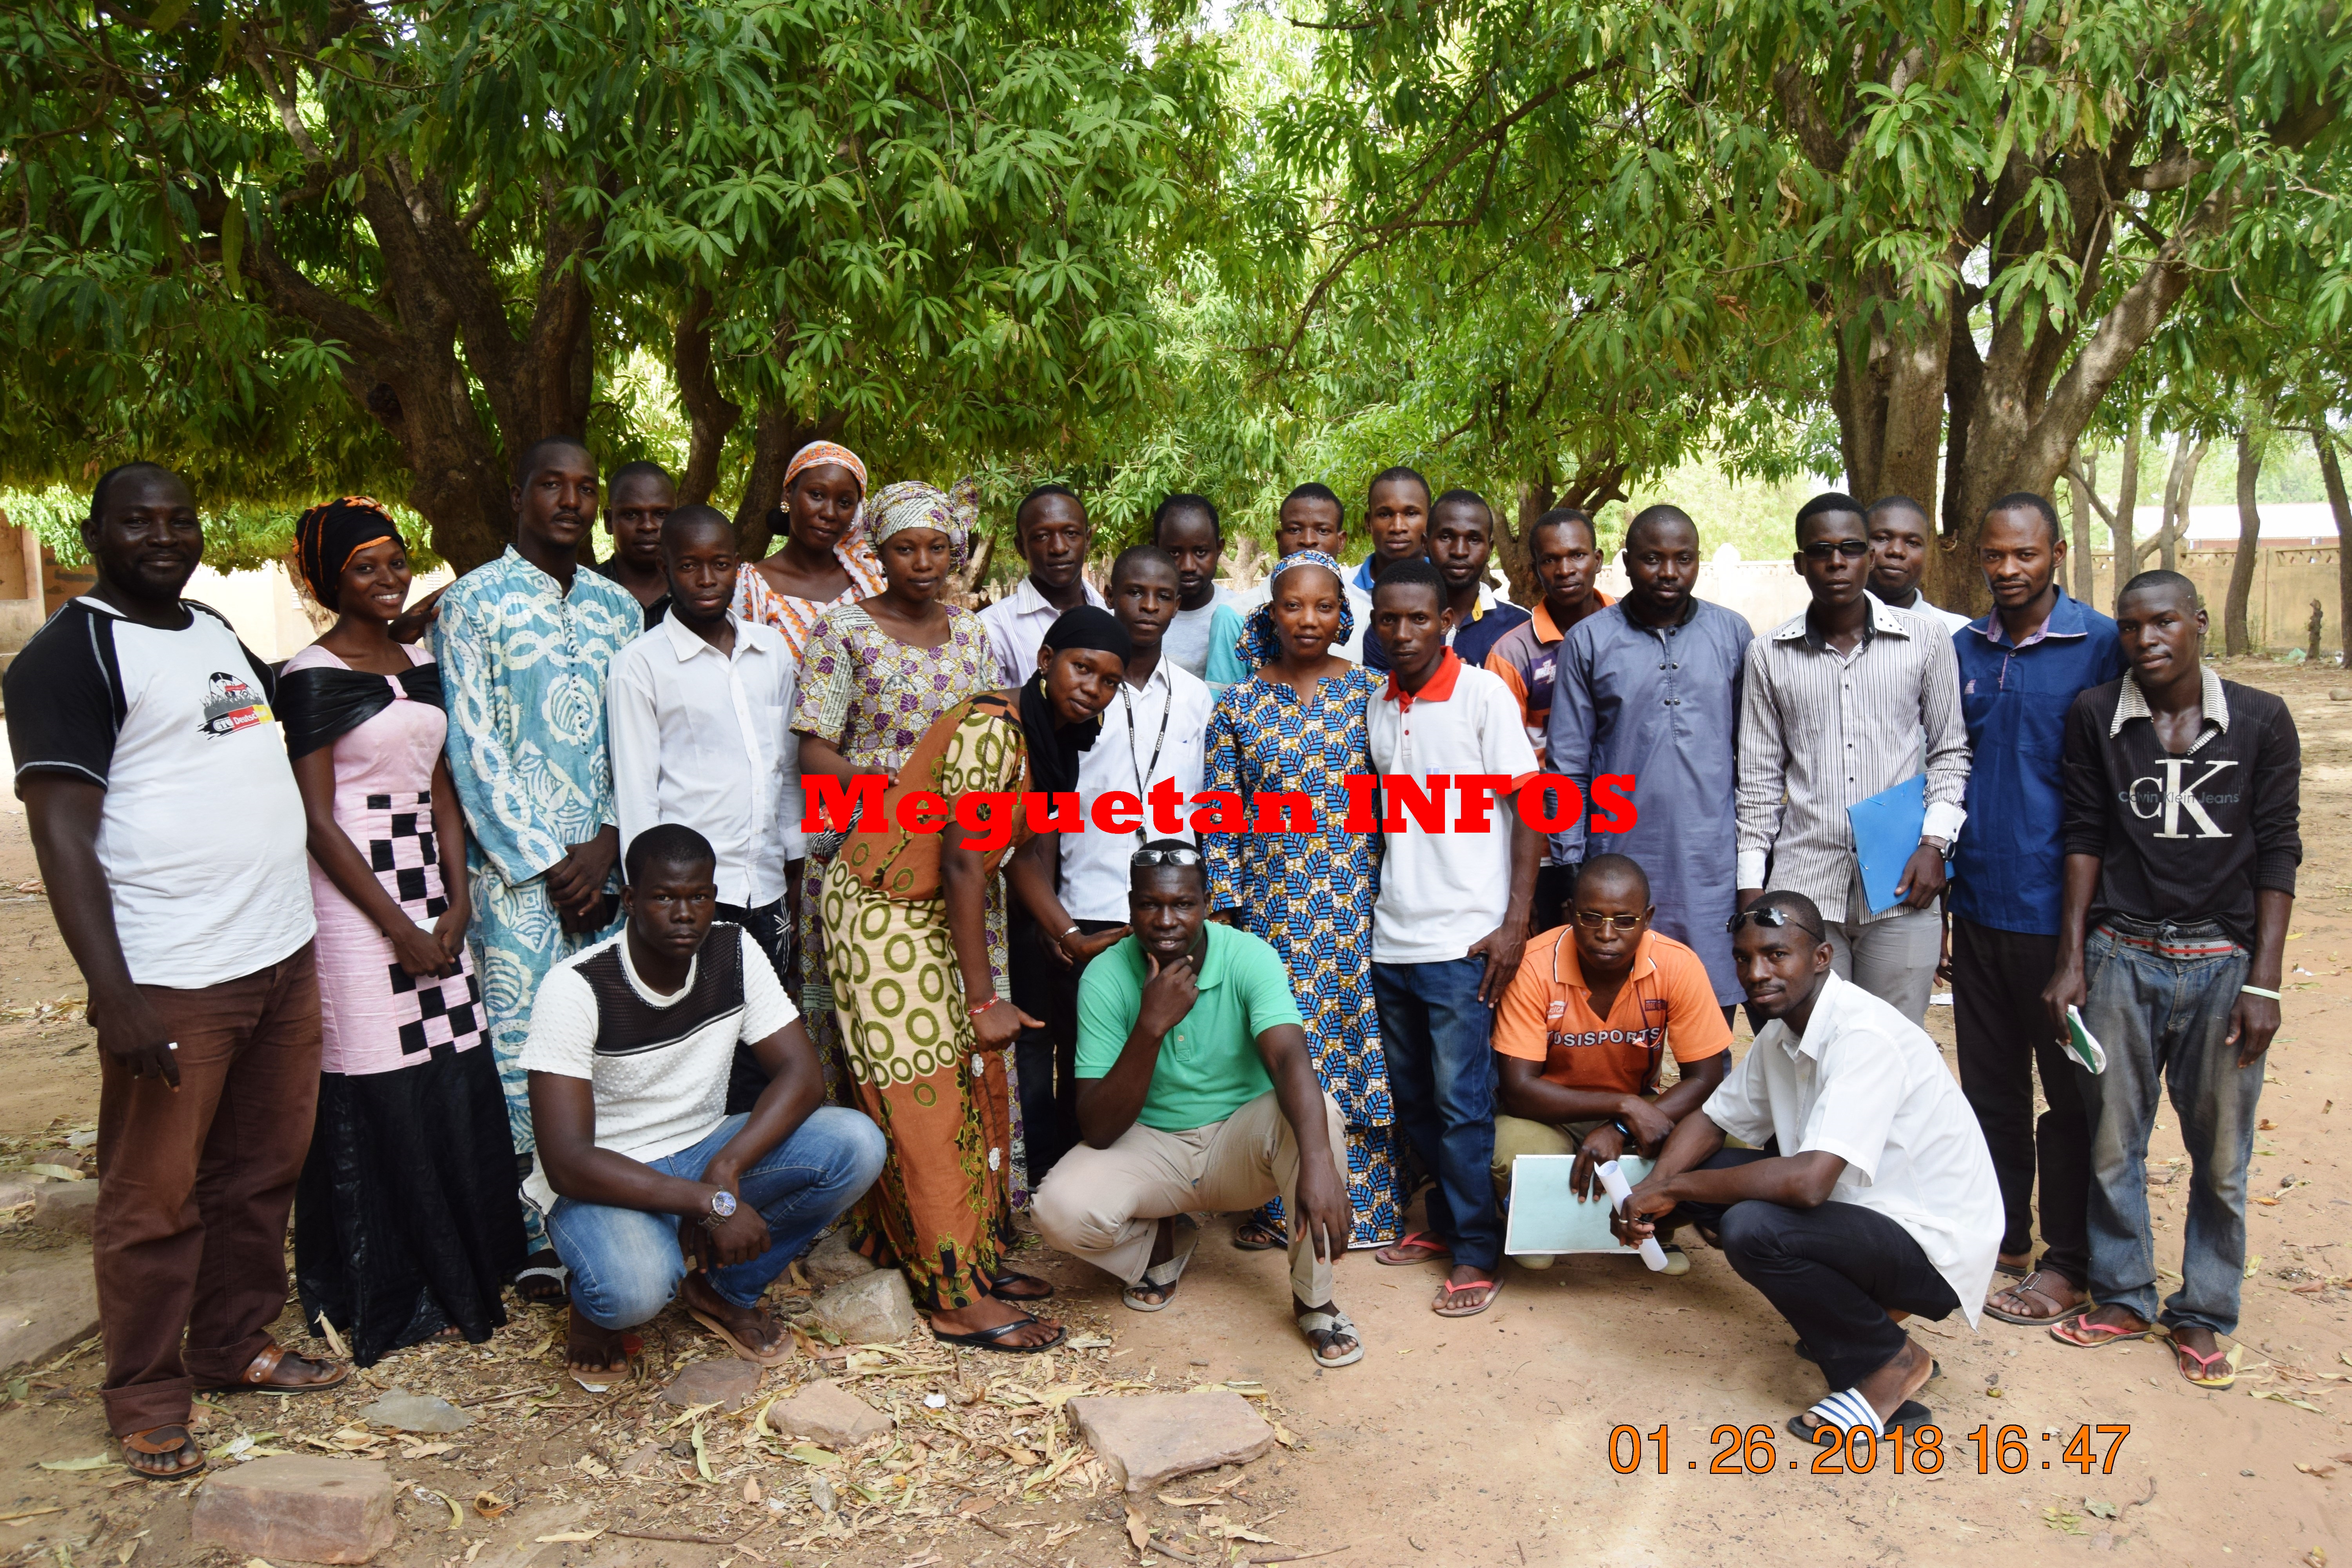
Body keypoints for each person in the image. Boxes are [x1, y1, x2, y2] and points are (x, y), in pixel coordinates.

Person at [5, 463, 342, 1480]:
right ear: (95, 533)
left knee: (263, 1168)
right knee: (154, 1195)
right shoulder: (70, 656)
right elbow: (64, 838)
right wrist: (114, 996)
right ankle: (146, 1392)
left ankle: (235, 1341)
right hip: (174, 978)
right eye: (137, 522)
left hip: (279, 956)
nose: (164, 536)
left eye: (179, 519)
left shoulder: (209, 631)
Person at [819, 607, 1127, 1351]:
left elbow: (1016, 851)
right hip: (884, 912)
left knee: (968, 1083)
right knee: (923, 1091)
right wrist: (984, 998)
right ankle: (954, 1298)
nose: (1094, 688)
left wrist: (1067, 935)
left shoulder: (1045, 735)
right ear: (1047, 659)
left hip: (923, 914)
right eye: (1083, 668)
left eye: (1111, 681)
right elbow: (962, 860)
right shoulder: (995, 728)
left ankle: (968, 1264)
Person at [277, 499, 521, 1369]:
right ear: (327, 580)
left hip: (432, 892)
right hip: (355, 906)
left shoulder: (417, 659)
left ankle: (471, 1266)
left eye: (395, 561)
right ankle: (390, 1287)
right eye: (364, 568)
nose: (388, 580)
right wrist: (397, 927)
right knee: (380, 1078)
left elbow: (442, 792)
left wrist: (456, 907)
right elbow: (315, 818)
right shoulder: (310, 675)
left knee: (451, 1069)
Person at [1619, 894, 2002, 1442]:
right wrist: (1656, 1188)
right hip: (1867, 1220)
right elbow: (1711, 1120)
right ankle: (1860, 1317)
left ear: (1822, 957)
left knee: (1752, 1227)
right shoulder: (1785, 1030)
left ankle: (1891, 1362)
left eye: (1777, 955)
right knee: (1706, 1184)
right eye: (1744, 958)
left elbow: (1807, 1183)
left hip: (1934, 1245)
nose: (1757, 973)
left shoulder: (1863, 1036)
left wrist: (1673, 1187)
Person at [2044, 572, 2300, 1388]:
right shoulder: (2096, 716)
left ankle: (2204, 1310)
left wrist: (2265, 981)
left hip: (2223, 964)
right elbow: (2082, 835)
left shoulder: (2260, 719)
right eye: (2129, 626)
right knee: (2115, 1139)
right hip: (2124, 954)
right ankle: (2122, 1295)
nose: (2146, 639)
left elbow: (2279, 849)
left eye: (2163, 622)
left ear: (2197, 623)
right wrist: (2073, 956)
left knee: (2221, 1153)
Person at [523, 824, 887, 1375]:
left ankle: (724, 1291)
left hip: (701, 1146)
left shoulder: (733, 949)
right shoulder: (576, 987)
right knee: (635, 1292)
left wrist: (726, 1166)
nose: (685, 913)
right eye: (665, 897)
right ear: (630, 900)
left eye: (699, 896)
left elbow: (802, 1075)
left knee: (855, 1144)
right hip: (607, 1174)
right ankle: (592, 1308)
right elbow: (568, 1162)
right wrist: (708, 1204)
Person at [438, 437, 641, 1300]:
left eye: (585, 487)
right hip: (517, 876)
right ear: (519, 494)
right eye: (552, 484)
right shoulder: (472, 603)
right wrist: (552, 859)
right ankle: (539, 1235)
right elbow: (471, 746)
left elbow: (637, 739)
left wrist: (609, 838)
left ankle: (618, 1213)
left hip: (609, 869)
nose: (571, 499)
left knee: (610, 1042)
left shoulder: (618, 609)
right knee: (524, 1055)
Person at [1033, 842, 1366, 1368]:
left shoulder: (1247, 956)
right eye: (1150, 905)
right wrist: (1151, 1023)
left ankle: (1315, 1301)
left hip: (1240, 1143)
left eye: (1183, 904)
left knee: (1317, 1114)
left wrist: (1321, 1164)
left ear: (1207, 904)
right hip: (1151, 1145)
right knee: (1059, 1211)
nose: (1166, 920)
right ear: (1131, 905)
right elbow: (1097, 1128)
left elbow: (1288, 1060)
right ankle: (1161, 1240)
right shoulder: (1104, 976)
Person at [1946, 493, 2124, 1328]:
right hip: (1979, 904)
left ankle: (2073, 1260)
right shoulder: (1966, 647)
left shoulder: (2100, 646)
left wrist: (2086, 939)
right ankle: (2006, 1235)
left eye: (2025, 554)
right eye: (1995, 555)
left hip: (2064, 920)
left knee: (2073, 1095)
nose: (2009, 569)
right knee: (1989, 1090)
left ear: (2055, 553)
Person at [1204, 551, 1404, 1249]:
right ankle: (1272, 1203)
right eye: (1293, 605)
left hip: (1358, 904)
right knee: (1281, 1046)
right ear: (1272, 613)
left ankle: (1371, 1205)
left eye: (1324, 607)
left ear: (1343, 617)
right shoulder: (1237, 706)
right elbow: (1220, 815)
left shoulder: (1376, 693)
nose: (1309, 619)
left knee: (1357, 1043)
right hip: (1273, 910)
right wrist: (1227, 910)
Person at [1363, 561, 1541, 1316]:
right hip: (1393, 938)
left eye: (1417, 619)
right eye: (1389, 619)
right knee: (1416, 1103)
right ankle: (1442, 1225)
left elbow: (1532, 808)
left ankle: (1479, 1254)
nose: (1402, 633)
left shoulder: (1482, 695)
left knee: (1464, 1103)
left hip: (1463, 941)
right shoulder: (1378, 704)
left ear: (1446, 622)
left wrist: (1513, 924)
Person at [790, 481, 999, 1108]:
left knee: (957, 1004)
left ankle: (962, 1183)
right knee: (873, 1014)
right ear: (879, 552)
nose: (924, 562)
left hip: (958, 847)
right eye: (906, 549)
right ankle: (868, 1187)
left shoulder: (971, 634)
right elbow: (814, 751)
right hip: (864, 846)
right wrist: (890, 795)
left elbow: (988, 733)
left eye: (937, 547)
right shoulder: (843, 631)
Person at [1735, 493, 1969, 1025]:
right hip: (1803, 889)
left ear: (1867, 556)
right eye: (1821, 551)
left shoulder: (1926, 640)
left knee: (1891, 1051)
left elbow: (1951, 751)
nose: (1837, 562)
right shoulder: (1770, 654)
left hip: (1902, 885)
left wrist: (1935, 844)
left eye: (1850, 549)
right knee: (1810, 1050)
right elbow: (1758, 783)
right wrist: (1753, 895)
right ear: (1801, 564)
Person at [1027, 546, 1213, 1183]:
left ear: (1179, 602)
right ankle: (1084, 1180)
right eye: (1135, 592)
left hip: (1167, 909)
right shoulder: (1077, 692)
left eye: (1163, 596)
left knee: (1165, 1047)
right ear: (1110, 594)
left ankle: (1162, 1180)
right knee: (1085, 1052)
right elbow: (1047, 812)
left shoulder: (1196, 699)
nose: (1150, 606)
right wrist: (1056, 919)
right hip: (1086, 901)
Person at [608, 505, 801, 1112]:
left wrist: (797, 867)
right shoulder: (641, 665)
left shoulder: (772, 652)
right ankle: (697, 1182)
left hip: (767, 885)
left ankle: (756, 1175)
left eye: (720, 564)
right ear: (666, 571)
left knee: (764, 1043)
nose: (707, 579)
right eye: (689, 566)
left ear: (739, 569)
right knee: (696, 1044)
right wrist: (652, 900)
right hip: (691, 896)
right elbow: (637, 790)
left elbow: (789, 769)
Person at [1488, 853, 1730, 1272]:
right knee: (1513, 1151)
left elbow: (1706, 1077)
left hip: (1638, 1113)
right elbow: (1520, 1090)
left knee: (1728, 1144)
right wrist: (1622, 1107)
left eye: (1624, 920)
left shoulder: (1677, 964)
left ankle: (1658, 1228)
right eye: (1591, 917)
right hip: (1551, 1114)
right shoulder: (1533, 964)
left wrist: (1622, 1124)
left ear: (1648, 917)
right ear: (1569, 913)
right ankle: (1540, 1225)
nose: (1606, 934)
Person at [1549, 505, 1748, 1007]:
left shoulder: (1733, 634)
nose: (1668, 572)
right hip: (1619, 859)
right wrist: (1571, 862)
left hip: (1713, 861)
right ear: (1625, 561)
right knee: (1627, 1011)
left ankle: (1707, 1090)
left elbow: (1754, 757)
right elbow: (1568, 764)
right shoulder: (1589, 640)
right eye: (1652, 559)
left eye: (1683, 559)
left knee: (1712, 1007)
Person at [1486, 506, 1612, 933]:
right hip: (1543, 846)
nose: (1565, 569)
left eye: (1576, 555)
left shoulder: (1631, 631)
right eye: (1550, 560)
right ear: (1535, 568)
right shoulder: (1513, 653)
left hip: (1623, 828)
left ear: (1598, 559)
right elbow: (1504, 768)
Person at [733, 439, 886, 658]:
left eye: (844, 503)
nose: (829, 513)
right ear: (788, 494)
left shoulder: (872, 580)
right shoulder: (752, 587)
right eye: (817, 495)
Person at [1207, 483, 1371, 682]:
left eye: (1322, 530)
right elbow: (1223, 701)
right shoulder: (1234, 617)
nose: (1308, 540)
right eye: (1294, 530)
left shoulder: (1365, 616)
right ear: (1279, 539)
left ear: (1341, 541)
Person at [1365, 488, 1528, 673]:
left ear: (1490, 549)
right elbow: (1381, 698)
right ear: (1426, 544)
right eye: (1446, 537)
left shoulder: (1521, 626)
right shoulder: (1391, 628)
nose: (1459, 551)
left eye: (1474, 540)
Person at [978, 484, 1108, 688]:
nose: (1059, 548)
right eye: (1042, 536)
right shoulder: (992, 628)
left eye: (1071, 533)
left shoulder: (1113, 616)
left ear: (1088, 540)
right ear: (1021, 547)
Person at [1152, 494, 1232, 680]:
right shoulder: (1139, 618)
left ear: (1219, 548)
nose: (1188, 566)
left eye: (1200, 552)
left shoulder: (1239, 616)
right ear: (1155, 549)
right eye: (1174, 553)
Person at [589, 461, 677, 625]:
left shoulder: (699, 592)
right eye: (631, 514)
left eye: (661, 514)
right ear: (609, 522)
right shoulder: (580, 591)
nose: (648, 526)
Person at [1864, 495, 1969, 633]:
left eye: (1912, 543)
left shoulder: (1957, 633)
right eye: (1882, 538)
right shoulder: (1830, 627)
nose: (1896, 551)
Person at [1350, 466, 1431, 600]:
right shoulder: (1340, 593)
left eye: (1411, 514)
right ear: (1369, 522)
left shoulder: (1451, 589)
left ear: (1430, 520)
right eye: (1385, 515)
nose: (1398, 527)